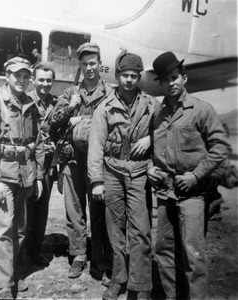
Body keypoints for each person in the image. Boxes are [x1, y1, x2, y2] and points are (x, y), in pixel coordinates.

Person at [147, 51, 231, 299]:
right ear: (161, 84)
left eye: (175, 77)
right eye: (165, 79)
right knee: (164, 251)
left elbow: (221, 148)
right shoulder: (158, 115)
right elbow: (155, 150)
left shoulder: (202, 110)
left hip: (193, 194)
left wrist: (196, 175)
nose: (171, 82)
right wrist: (151, 168)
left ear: (184, 78)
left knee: (193, 256)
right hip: (165, 193)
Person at [88, 50, 160, 300]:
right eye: (125, 75)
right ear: (117, 76)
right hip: (113, 172)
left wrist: (150, 138)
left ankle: (141, 285)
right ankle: (119, 279)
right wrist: (96, 180)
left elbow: (164, 128)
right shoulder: (105, 107)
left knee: (141, 230)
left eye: (134, 76)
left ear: (139, 77)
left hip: (139, 172)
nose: (129, 80)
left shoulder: (151, 104)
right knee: (115, 229)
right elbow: (95, 145)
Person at [0, 56, 45, 299]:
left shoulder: (31, 104)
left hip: (24, 177)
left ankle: (10, 272)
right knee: (1, 230)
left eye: (26, 76)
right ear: (7, 76)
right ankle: (3, 287)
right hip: (1, 177)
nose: (23, 80)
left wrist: (38, 175)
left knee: (20, 230)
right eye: (18, 75)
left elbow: (37, 142)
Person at [51, 42, 112, 282]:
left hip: (98, 162)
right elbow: (53, 122)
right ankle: (78, 255)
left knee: (99, 211)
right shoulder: (70, 93)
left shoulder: (109, 93)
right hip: (72, 160)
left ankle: (99, 258)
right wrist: (71, 112)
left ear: (99, 63)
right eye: (85, 64)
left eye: (93, 63)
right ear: (81, 65)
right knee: (74, 211)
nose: (89, 68)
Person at [25, 62, 58, 265]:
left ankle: (34, 251)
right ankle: (20, 255)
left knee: (42, 210)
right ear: (33, 80)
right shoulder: (26, 100)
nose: (45, 84)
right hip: (28, 163)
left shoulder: (55, 103)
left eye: (49, 80)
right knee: (26, 210)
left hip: (46, 165)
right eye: (41, 80)